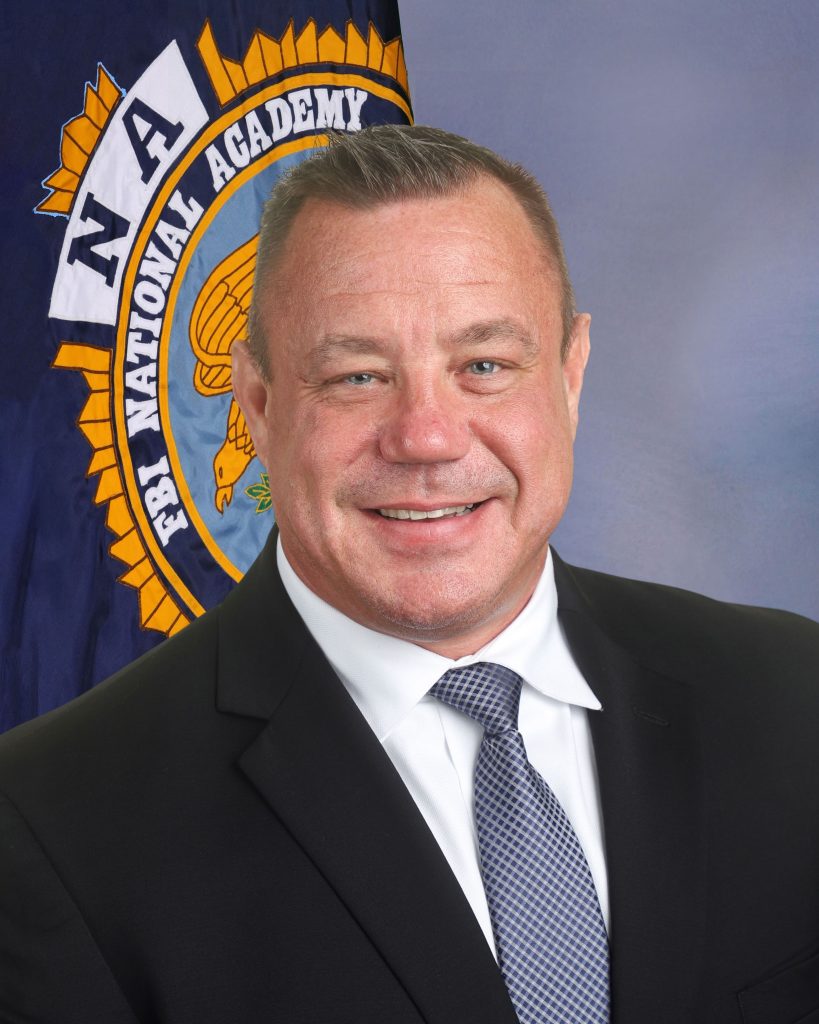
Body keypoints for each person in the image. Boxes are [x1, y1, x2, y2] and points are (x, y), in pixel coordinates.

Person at [0, 125, 817, 1024]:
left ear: (569, 377)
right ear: (259, 406)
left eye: (483, 366)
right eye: (357, 377)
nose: (426, 437)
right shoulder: (48, 828)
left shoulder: (792, 698)